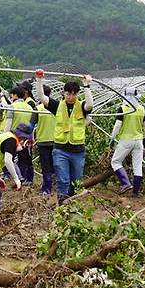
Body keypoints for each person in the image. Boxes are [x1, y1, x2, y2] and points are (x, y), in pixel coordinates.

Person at [34, 69, 93, 205]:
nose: (70, 97)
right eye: (68, 94)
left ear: (77, 94)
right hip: (60, 149)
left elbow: (90, 105)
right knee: (63, 179)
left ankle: (72, 203)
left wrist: (87, 85)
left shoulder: (82, 106)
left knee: (76, 181)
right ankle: (62, 205)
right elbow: (42, 97)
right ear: (64, 93)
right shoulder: (57, 106)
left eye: (73, 94)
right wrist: (39, 79)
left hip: (78, 150)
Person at [110, 88, 145, 196]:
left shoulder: (123, 108)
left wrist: (112, 139)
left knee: (116, 162)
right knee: (137, 166)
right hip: (138, 140)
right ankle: (136, 192)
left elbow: (117, 125)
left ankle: (126, 183)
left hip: (126, 140)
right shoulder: (142, 109)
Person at [33, 84, 56, 194]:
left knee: (45, 166)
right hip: (57, 141)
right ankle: (57, 186)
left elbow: (31, 125)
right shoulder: (57, 107)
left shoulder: (38, 109)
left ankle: (47, 188)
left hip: (43, 142)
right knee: (55, 164)